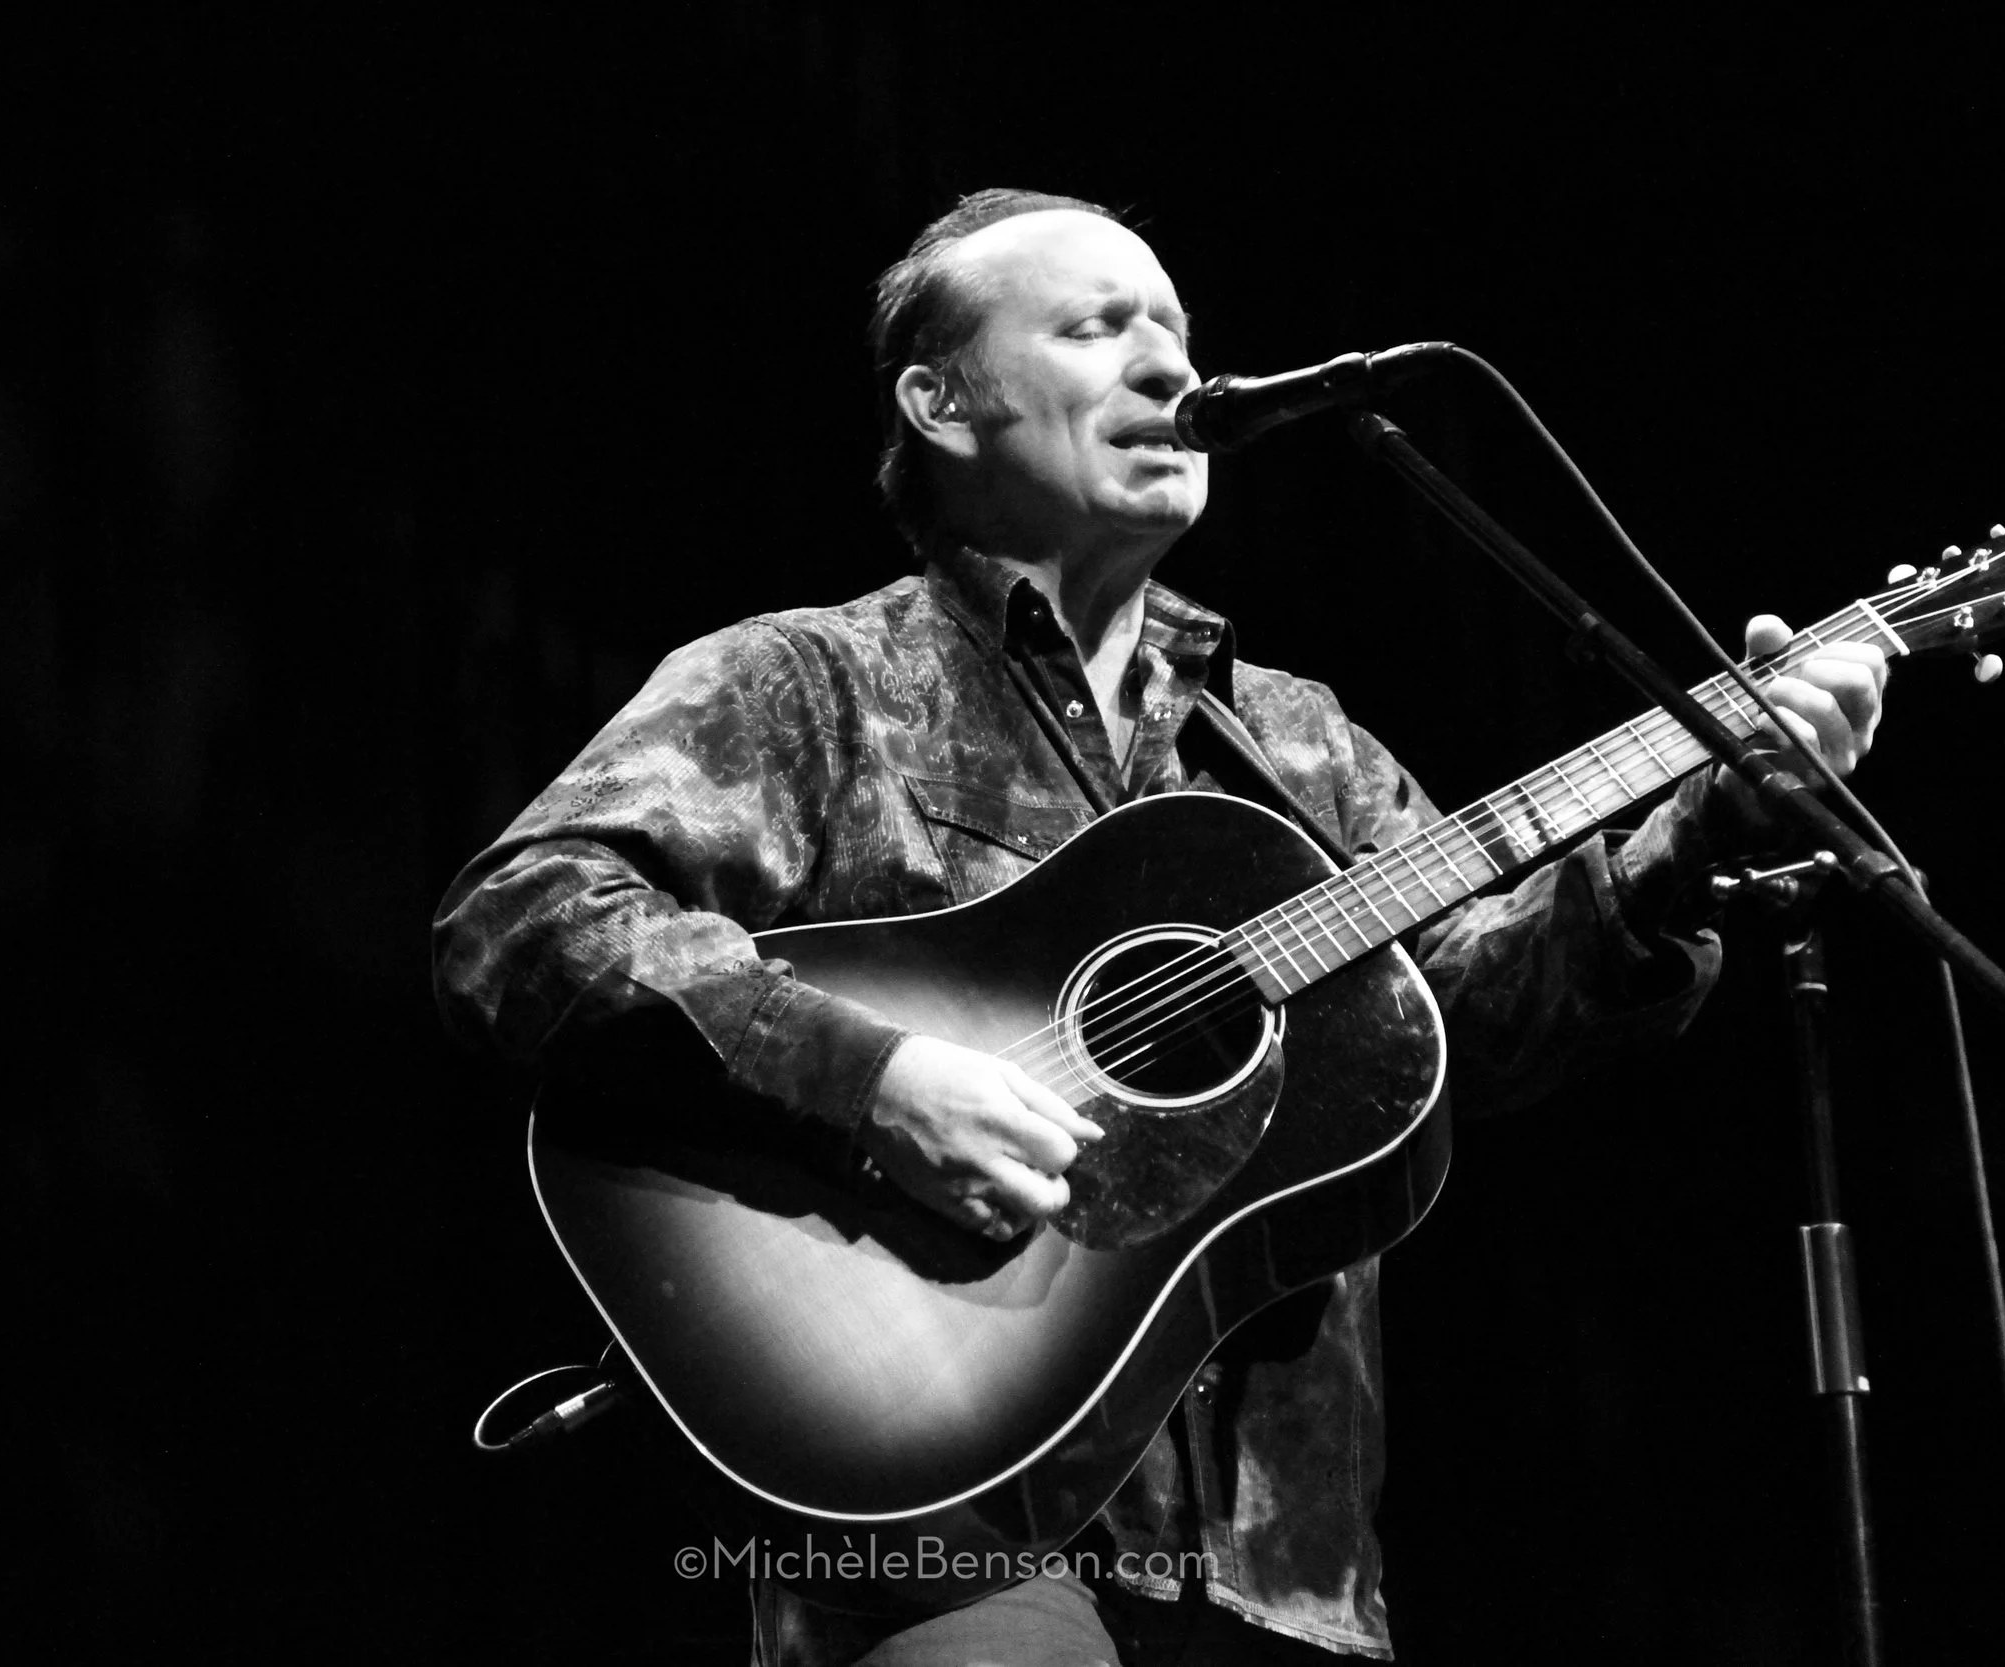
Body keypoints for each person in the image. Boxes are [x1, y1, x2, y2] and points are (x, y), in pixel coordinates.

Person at [432, 189, 1887, 1665]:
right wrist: (875, 1076)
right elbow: (524, 916)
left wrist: (1695, 828)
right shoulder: (815, 683)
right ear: (937, 402)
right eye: (1094, 325)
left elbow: (1478, 1017)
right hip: (942, 1536)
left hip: (1288, 1568)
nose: (1165, 366)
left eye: (1176, 331)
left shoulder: (1295, 743)